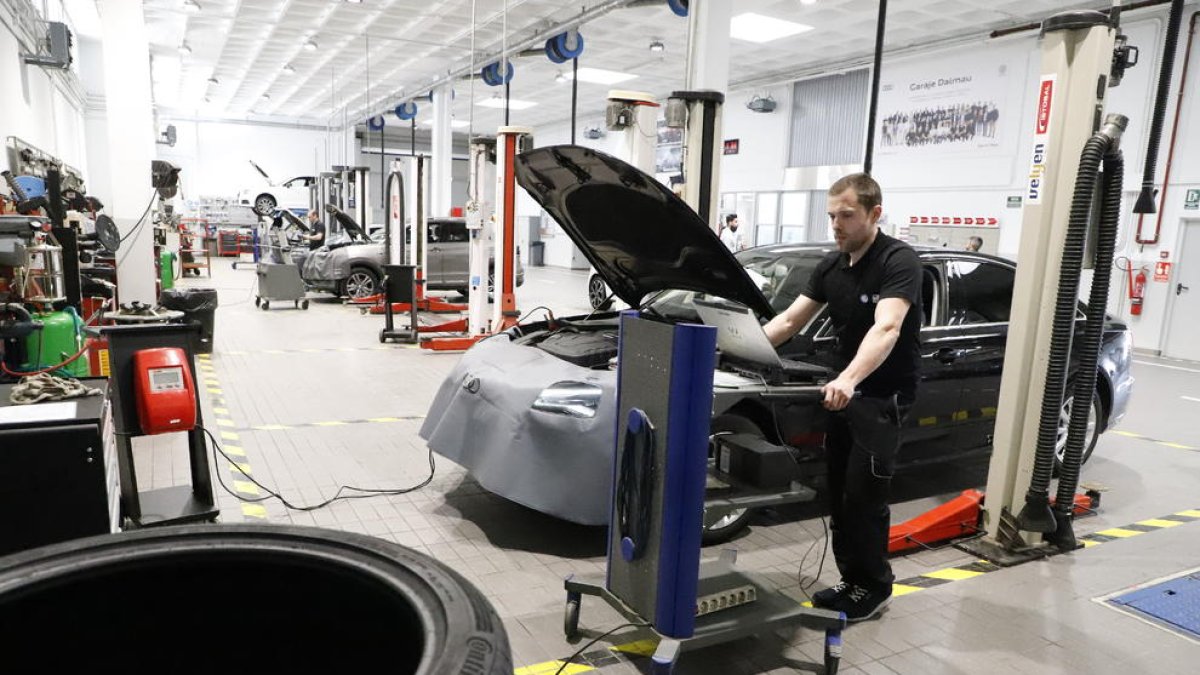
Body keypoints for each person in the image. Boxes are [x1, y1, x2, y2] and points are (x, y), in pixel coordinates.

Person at [763, 173, 923, 622]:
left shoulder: (898, 261)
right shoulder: (832, 266)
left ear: (874, 214)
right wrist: (734, 349)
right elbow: (790, 321)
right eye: (832, 215)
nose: (836, 224)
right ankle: (851, 580)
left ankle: (874, 586)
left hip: (880, 397)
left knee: (864, 496)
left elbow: (887, 326)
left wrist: (850, 379)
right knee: (837, 491)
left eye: (847, 215)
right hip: (843, 394)